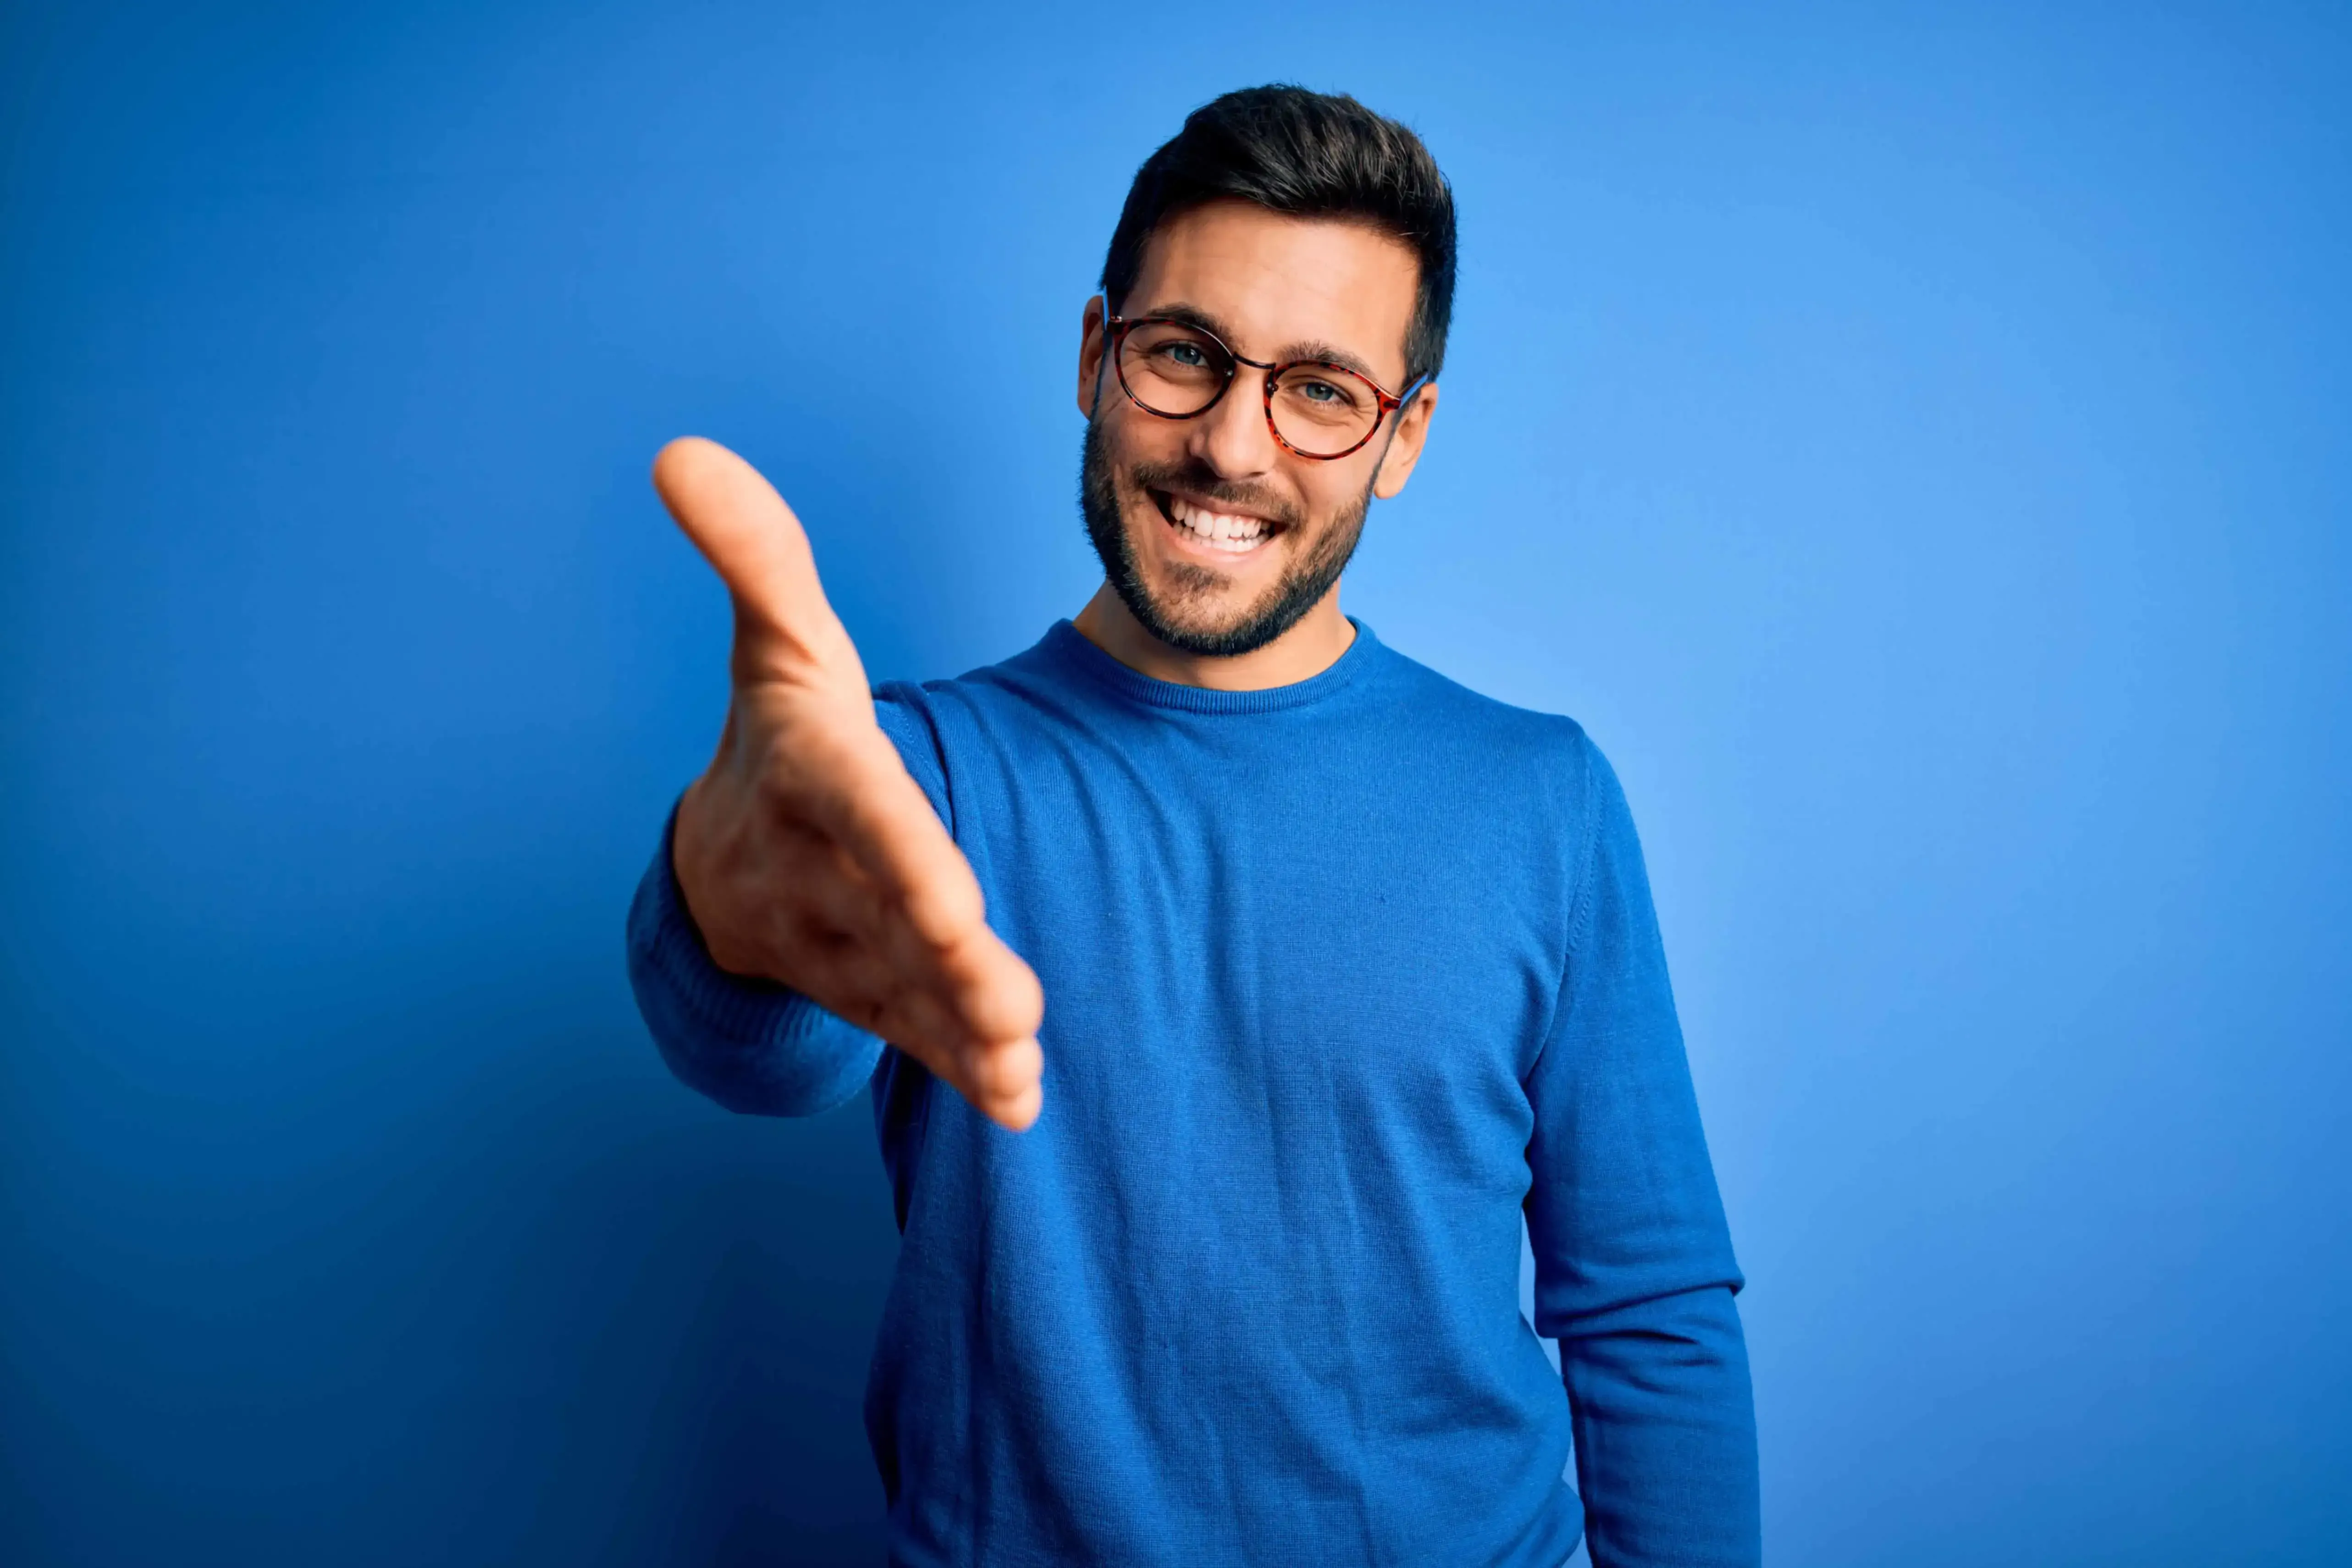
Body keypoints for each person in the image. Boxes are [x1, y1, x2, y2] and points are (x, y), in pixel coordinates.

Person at [627, 84, 1759, 1568]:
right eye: (1184, 356)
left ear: (1403, 435)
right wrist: (721, 902)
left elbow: (1649, 1311)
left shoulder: (1542, 800)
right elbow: (773, 1044)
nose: (1233, 445)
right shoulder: (921, 776)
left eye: (1322, 389)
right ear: (1098, 357)